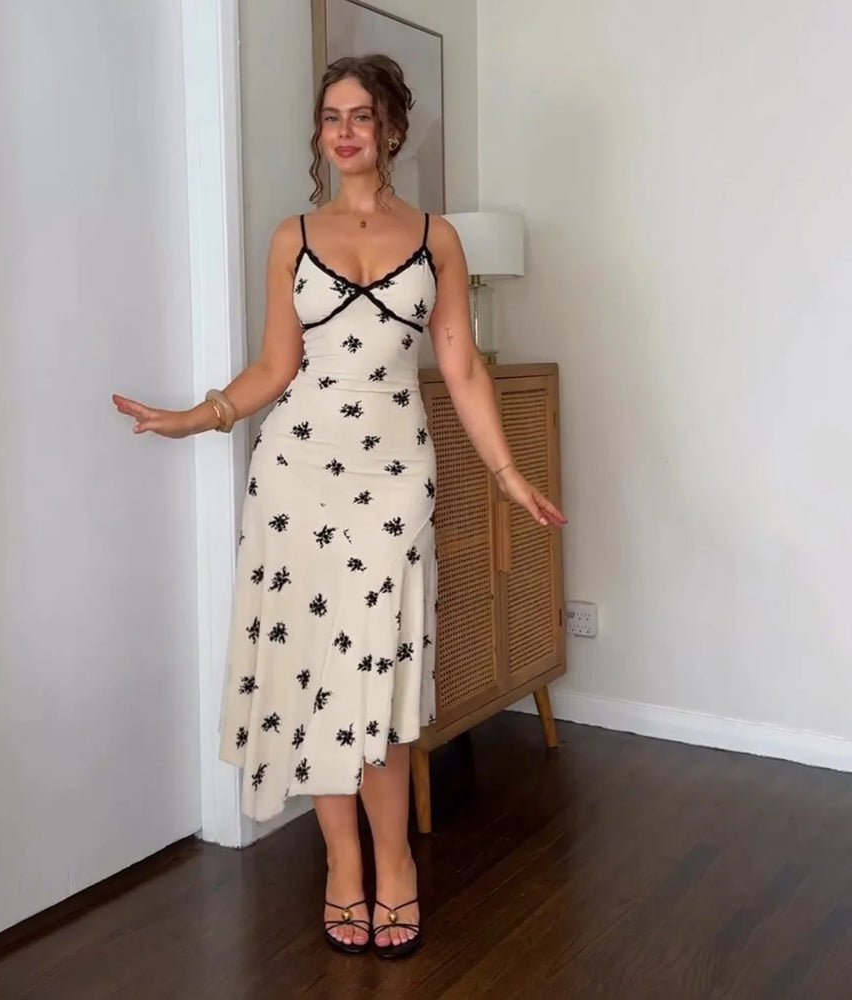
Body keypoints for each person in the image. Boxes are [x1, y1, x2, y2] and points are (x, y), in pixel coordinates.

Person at [113, 53, 566, 960]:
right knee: (315, 670)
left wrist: (507, 472)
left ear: (391, 127)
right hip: (297, 473)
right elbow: (275, 366)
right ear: (320, 134)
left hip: (394, 476)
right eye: (332, 117)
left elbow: (461, 368)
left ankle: (394, 864)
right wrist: (197, 417)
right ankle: (343, 866)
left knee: (379, 672)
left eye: (362, 115)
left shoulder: (438, 238)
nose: (346, 131)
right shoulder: (293, 236)